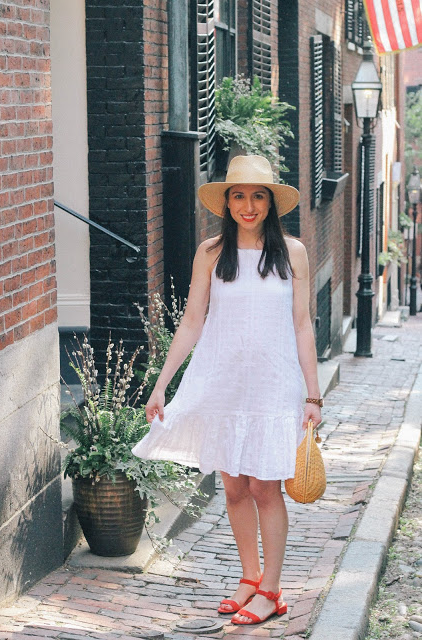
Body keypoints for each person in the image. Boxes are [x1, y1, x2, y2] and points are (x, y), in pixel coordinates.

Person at [132, 155, 322, 625]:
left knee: (265, 486)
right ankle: (249, 578)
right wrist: (161, 385)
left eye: (258, 196)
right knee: (233, 487)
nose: (248, 206)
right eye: (239, 196)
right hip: (223, 380)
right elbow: (193, 320)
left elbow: (302, 325)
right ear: (227, 203)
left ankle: (272, 591)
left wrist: (313, 395)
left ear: (271, 203)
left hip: (274, 383)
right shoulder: (211, 252)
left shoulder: (292, 253)